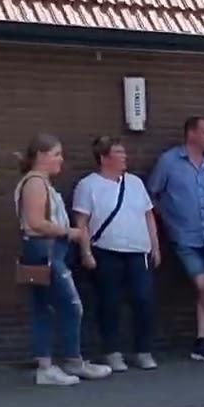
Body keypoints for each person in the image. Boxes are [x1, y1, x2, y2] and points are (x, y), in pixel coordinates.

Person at [14, 134, 113, 386]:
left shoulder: (39, 182)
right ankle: (70, 361)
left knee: (44, 308)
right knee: (71, 305)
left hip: (42, 250)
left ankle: (51, 365)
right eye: (56, 154)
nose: (61, 159)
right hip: (44, 250)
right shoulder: (35, 183)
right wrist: (71, 232)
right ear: (41, 156)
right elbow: (36, 223)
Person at [147, 116, 204, 364]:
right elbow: (152, 193)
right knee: (202, 285)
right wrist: (167, 218)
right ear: (191, 134)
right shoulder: (169, 161)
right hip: (185, 236)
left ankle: (200, 341)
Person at [72, 135, 160, 372]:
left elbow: (148, 215)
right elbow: (82, 221)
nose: (124, 157)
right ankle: (112, 351)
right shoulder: (88, 185)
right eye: (118, 153)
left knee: (143, 300)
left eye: (124, 153)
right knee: (108, 302)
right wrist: (86, 251)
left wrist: (155, 245)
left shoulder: (135, 183)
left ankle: (143, 350)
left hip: (137, 251)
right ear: (103, 158)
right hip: (105, 251)